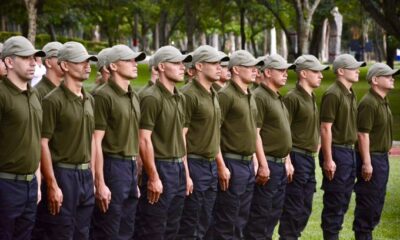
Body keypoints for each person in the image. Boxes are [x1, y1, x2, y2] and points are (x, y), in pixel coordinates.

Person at [33, 41, 97, 239]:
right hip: (64, 175)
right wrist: (52, 184)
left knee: (82, 233)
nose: (87, 65)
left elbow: (92, 140)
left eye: (88, 61)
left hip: (85, 176)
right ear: (65, 66)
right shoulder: (52, 100)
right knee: (61, 232)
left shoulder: (89, 99)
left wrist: (93, 177)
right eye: (80, 62)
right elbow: (43, 143)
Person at [134, 46, 192, 239]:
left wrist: (186, 174)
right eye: (176, 63)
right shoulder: (151, 97)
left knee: (173, 228)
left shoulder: (180, 97)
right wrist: (153, 176)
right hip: (160, 166)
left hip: (177, 169)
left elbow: (180, 137)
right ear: (161, 67)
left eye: (182, 63)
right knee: (153, 227)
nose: (182, 67)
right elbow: (143, 140)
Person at [91, 44, 145, 239]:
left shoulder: (133, 95)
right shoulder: (103, 95)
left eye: (135, 60)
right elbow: (95, 141)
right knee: (109, 227)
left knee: (126, 227)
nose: (135, 64)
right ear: (113, 66)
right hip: (112, 165)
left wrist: (136, 172)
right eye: (129, 60)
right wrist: (100, 182)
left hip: (129, 168)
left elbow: (134, 136)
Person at [210, 50, 263, 239]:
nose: (255, 71)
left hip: (248, 165)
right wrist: (221, 165)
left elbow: (253, 131)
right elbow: (214, 131)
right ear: (237, 70)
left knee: (241, 218)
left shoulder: (249, 94)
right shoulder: (226, 95)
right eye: (250, 67)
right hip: (231, 163)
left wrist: (256, 159)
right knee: (227, 220)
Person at [177, 45, 229, 239]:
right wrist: (187, 174)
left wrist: (220, 165)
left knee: (205, 221)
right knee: (190, 224)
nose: (219, 67)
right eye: (214, 63)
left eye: (220, 63)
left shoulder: (213, 93)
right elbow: (181, 135)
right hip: (194, 163)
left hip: (210, 166)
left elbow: (213, 133)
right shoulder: (189, 94)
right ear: (199, 66)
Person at [244, 54, 294, 240]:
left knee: (272, 216)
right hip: (269, 164)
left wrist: (287, 160)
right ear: (267, 72)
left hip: (279, 165)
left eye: (285, 70)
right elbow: (255, 133)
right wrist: (262, 164)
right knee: (260, 218)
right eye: (281, 70)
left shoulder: (276, 97)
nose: (285, 74)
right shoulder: (259, 97)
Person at [279, 55, 329, 240]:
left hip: (308, 158)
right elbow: (283, 131)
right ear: (304, 74)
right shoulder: (293, 98)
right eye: (316, 72)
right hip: (296, 157)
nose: (321, 76)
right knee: (293, 207)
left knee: (305, 207)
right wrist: (287, 160)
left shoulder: (311, 96)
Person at [0, 35, 45, 240]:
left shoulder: (34, 95)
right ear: (9, 61)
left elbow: (34, 139)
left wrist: (35, 181)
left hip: (29, 185)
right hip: (5, 185)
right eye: (27, 58)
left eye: (34, 58)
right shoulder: (2, 95)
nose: (34, 63)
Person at [319, 54, 365, 240]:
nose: (357, 71)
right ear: (340, 71)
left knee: (344, 200)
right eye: (353, 68)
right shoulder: (333, 93)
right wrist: (329, 159)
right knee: (335, 202)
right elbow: (325, 128)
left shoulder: (350, 92)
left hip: (349, 152)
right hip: (337, 152)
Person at [353, 63, 399, 240]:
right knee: (368, 204)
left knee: (376, 202)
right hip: (371, 158)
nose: (392, 78)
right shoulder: (369, 103)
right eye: (387, 76)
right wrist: (367, 162)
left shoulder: (382, 101)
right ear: (375, 80)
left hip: (381, 158)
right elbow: (362, 135)